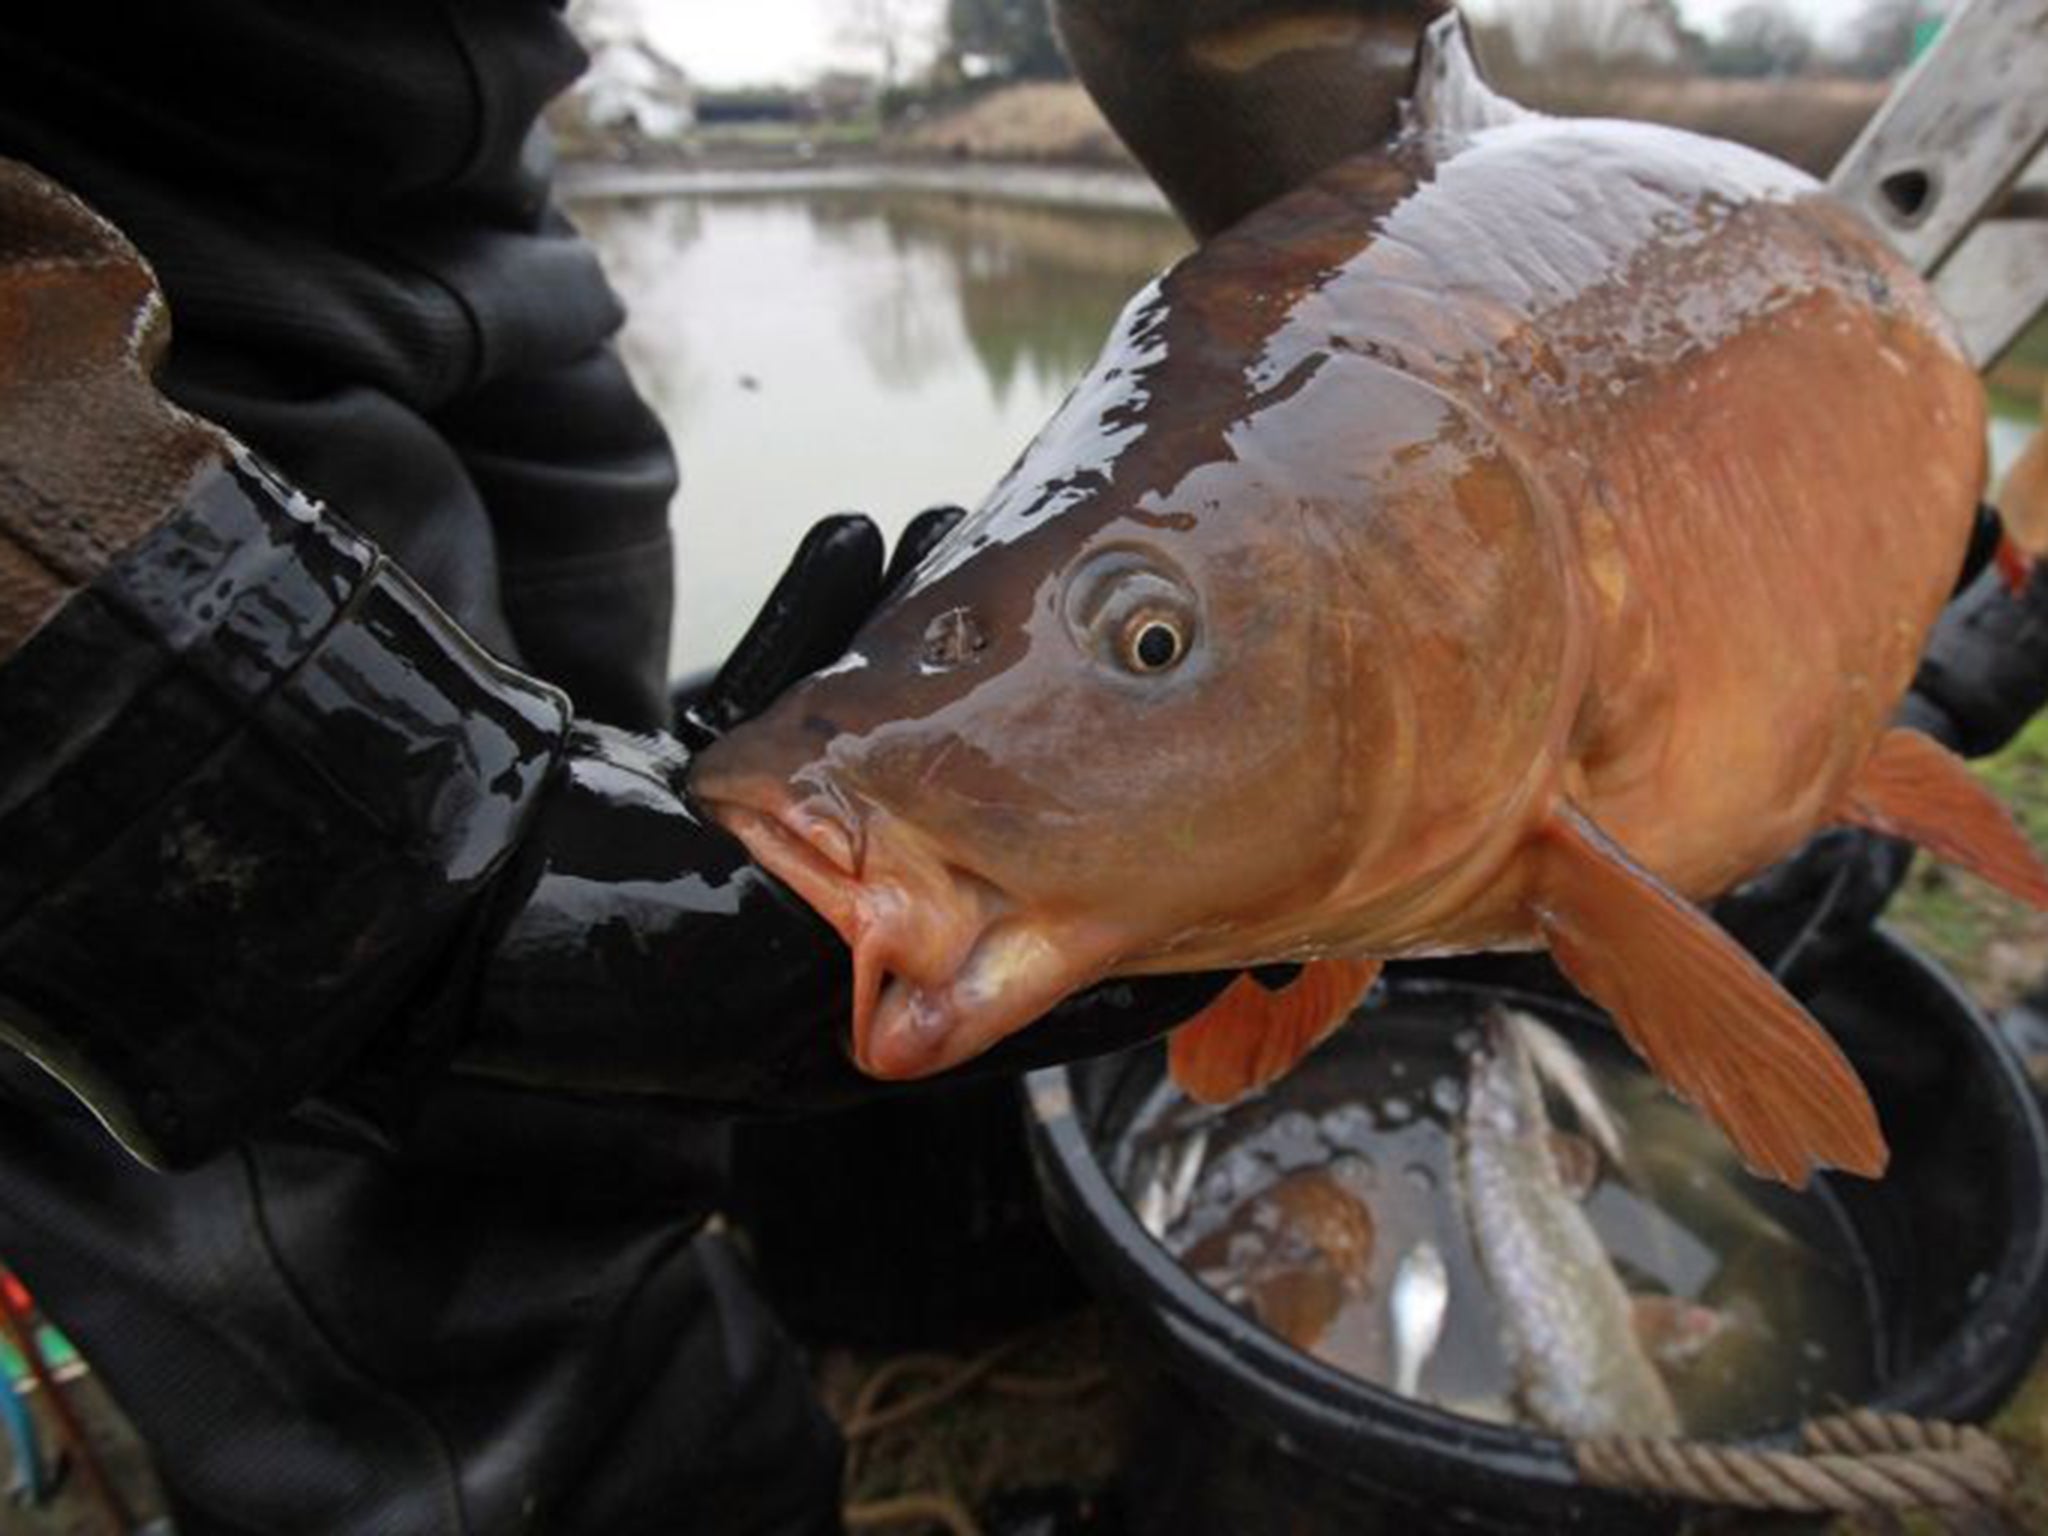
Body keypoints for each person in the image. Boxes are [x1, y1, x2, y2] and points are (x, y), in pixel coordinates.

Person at [0, 7, 1234, 1532]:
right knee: (391, 1221)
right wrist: (345, 841)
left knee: (611, 1067)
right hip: (74, 251)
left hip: (469, 155)